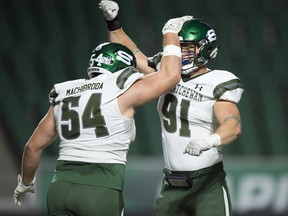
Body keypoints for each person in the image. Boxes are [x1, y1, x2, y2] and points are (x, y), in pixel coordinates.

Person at [12, 14, 189, 215]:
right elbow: (171, 75)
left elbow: (33, 147)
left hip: (59, 189)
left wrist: (25, 183)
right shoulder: (121, 90)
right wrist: (170, 33)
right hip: (101, 188)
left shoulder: (66, 92)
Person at [99, 1, 244, 215]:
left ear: (206, 49)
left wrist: (209, 141)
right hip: (171, 183)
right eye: (180, 47)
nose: (183, 53)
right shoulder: (166, 71)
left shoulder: (218, 81)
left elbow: (233, 125)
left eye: (189, 48)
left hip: (207, 183)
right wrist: (113, 23)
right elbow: (133, 54)